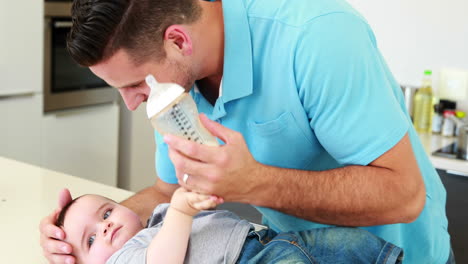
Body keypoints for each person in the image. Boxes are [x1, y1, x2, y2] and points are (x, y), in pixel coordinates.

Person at [39, 0, 452, 263]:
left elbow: (405, 195)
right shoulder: (173, 84)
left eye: (133, 86)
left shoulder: (318, 35)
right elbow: (170, 192)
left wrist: (254, 183)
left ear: (177, 41)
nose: (132, 103)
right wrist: (81, 235)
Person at [55, 187, 403, 264]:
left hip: (268, 241)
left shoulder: (154, 222)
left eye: (106, 213)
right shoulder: (122, 260)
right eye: (90, 240)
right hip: (249, 260)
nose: (105, 227)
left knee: (345, 243)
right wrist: (180, 209)